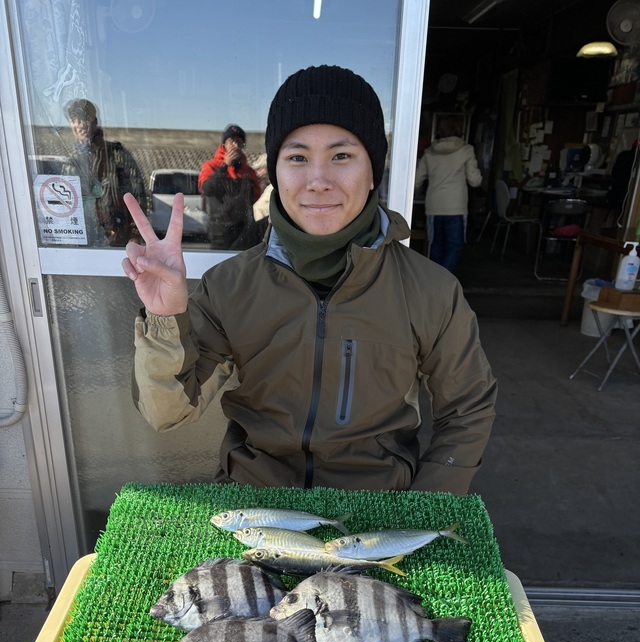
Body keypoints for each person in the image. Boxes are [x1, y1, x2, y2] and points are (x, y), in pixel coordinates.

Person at [123, 65, 497, 495]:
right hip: (256, 504)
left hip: (376, 504)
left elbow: (468, 409)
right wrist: (165, 319)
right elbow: (168, 413)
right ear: (275, 173)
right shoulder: (230, 286)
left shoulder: (431, 291)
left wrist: (425, 506)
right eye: (297, 158)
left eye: (342, 156)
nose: (318, 181)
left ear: (372, 172)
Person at [62, 98, 147, 247]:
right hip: (84, 242)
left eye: (85, 118)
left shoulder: (117, 155)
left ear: (95, 121)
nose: (80, 124)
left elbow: (138, 194)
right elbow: (66, 206)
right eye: (75, 120)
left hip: (119, 239)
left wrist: (135, 233)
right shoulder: (71, 163)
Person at [414, 116, 482, 274]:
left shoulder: (429, 152)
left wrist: (417, 193)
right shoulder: (466, 150)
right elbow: (474, 180)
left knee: (436, 245)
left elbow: (417, 180)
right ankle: (445, 281)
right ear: (459, 131)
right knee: (455, 246)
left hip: (434, 207)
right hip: (456, 208)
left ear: (439, 132)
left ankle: (437, 280)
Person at [198, 124, 263, 250]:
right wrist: (224, 166)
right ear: (224, 144)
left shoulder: (248, 171)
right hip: (220, 232)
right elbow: (207, 189)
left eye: (239, 142)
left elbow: (256, 198)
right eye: (232, 141)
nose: (236, 146)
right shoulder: (210, 166)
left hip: (244, 232)